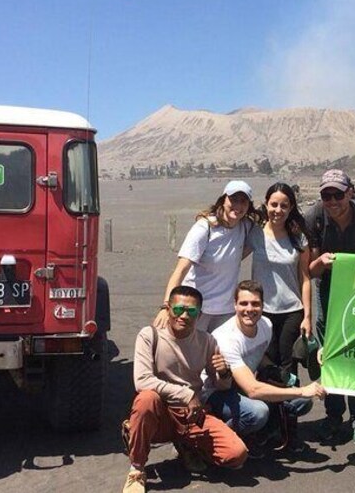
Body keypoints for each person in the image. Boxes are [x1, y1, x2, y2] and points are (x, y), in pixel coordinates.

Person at [123, 286, 247, 493]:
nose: (183, 315)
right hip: (160, 411)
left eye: (191, 311)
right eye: (178, 309)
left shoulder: (207, 340)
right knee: (146, 399)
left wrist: (224, 373)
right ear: (169, 309)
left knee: (236, 455)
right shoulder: (150, 335)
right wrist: (186, 393)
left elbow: (220, 386)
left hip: (192, 414)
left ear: (199, 314)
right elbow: (142, 381)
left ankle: (187, 445)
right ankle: (136, 467)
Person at [203, 280, 326, 455]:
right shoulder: (226, 339)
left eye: (255, 304)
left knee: (303, 402)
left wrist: (278, 373)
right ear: (235, 305)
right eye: (243, 303)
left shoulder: (265, 325)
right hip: (217, 392)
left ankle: (264, 431)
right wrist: (301, 390)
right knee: (258, 412)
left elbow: (258, 356)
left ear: (262, 305)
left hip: (243, 383)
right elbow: (253, 390)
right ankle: (215, 436)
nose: (249, 309)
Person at [305, 169, 355, 444]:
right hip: (329, 290)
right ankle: (334, 415)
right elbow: (310, 271)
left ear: (350, 192)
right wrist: (321, 263)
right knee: (330, 352)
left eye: (337, 194)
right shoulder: (315, 218)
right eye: (326, 195)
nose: (332, 201)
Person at [157, 180, 258, 332]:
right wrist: (166, 306)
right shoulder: (205, 228)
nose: (238, 205)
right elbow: (181, 270)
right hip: (197, 308)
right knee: (191, 351)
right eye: (233, 199)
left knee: (220, 353)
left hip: (225, 310)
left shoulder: (245, 226)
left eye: (243, 201)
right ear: (223, 200)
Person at [248, 182, 312, 384]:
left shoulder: (298, 238)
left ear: (291, 208)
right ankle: (270, 414)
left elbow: (305, 279)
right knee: (266, 364)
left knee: (288, 365)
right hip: (261, 311)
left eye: (284, 206)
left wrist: (308, 317)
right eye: (274, 204)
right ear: (266, 204)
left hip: (291, 312)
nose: (278, 210)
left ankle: (290, 413)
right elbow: (230, 259)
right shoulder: (254, 234)